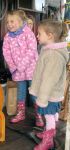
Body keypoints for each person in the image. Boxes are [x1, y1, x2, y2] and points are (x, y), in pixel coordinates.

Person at [29, 20, 69, 150]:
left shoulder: (53, 55)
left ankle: (48, 141)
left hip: (49, 95)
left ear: (50, 36)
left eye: (39, 34)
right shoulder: (48, 51)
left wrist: (42, 99)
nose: (37, 36)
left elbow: (49, 80)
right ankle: (48, 132)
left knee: (49, 116)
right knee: (50, 115)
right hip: (49, 94)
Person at [3, 10, 44, 127]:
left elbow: (31, 51)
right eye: (7, 22)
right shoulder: (7, 37)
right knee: (20, 93)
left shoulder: (28, 33)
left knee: (34, 93)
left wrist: (21, 66)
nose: (9, 24)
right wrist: (13, 67)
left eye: (12, 21)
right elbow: (6, 53)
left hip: (31, 69)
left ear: (21, 22)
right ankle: (21, 113)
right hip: (17, 71)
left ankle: (39, 115)